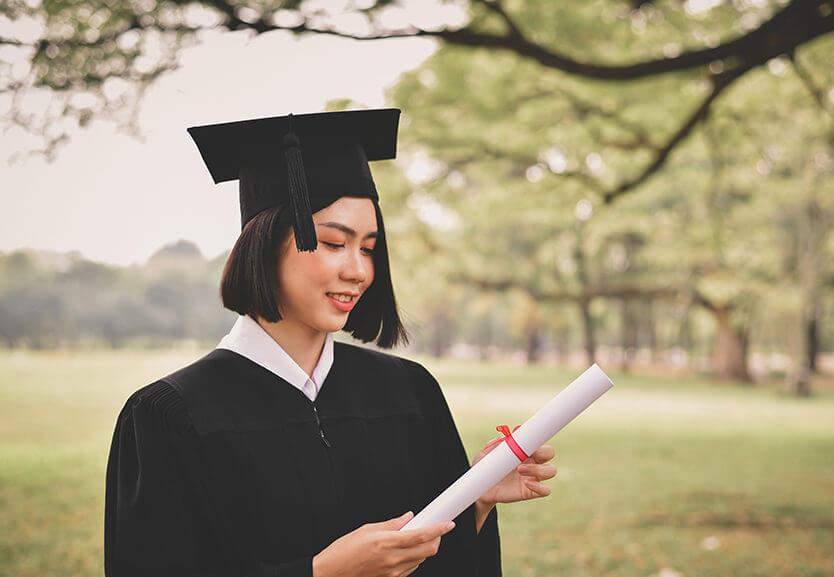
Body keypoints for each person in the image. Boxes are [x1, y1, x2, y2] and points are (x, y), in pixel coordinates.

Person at [104, 108, 557, 577]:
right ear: (263, 242)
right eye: (333, 243)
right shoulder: (169, 416)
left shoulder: (409, 392)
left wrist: (474, 499)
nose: (358, 271)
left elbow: (447, 563)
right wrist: (320, 573)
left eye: (368, 247)